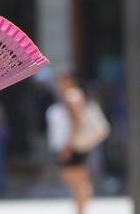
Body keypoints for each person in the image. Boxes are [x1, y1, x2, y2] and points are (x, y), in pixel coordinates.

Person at [46, 72, 107, 214]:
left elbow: (77, 123)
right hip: (73, 145)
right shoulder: (73, 95)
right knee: (79, 182)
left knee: (78, 183)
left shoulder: (72, 96)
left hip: (71, 146)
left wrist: (68, 146)